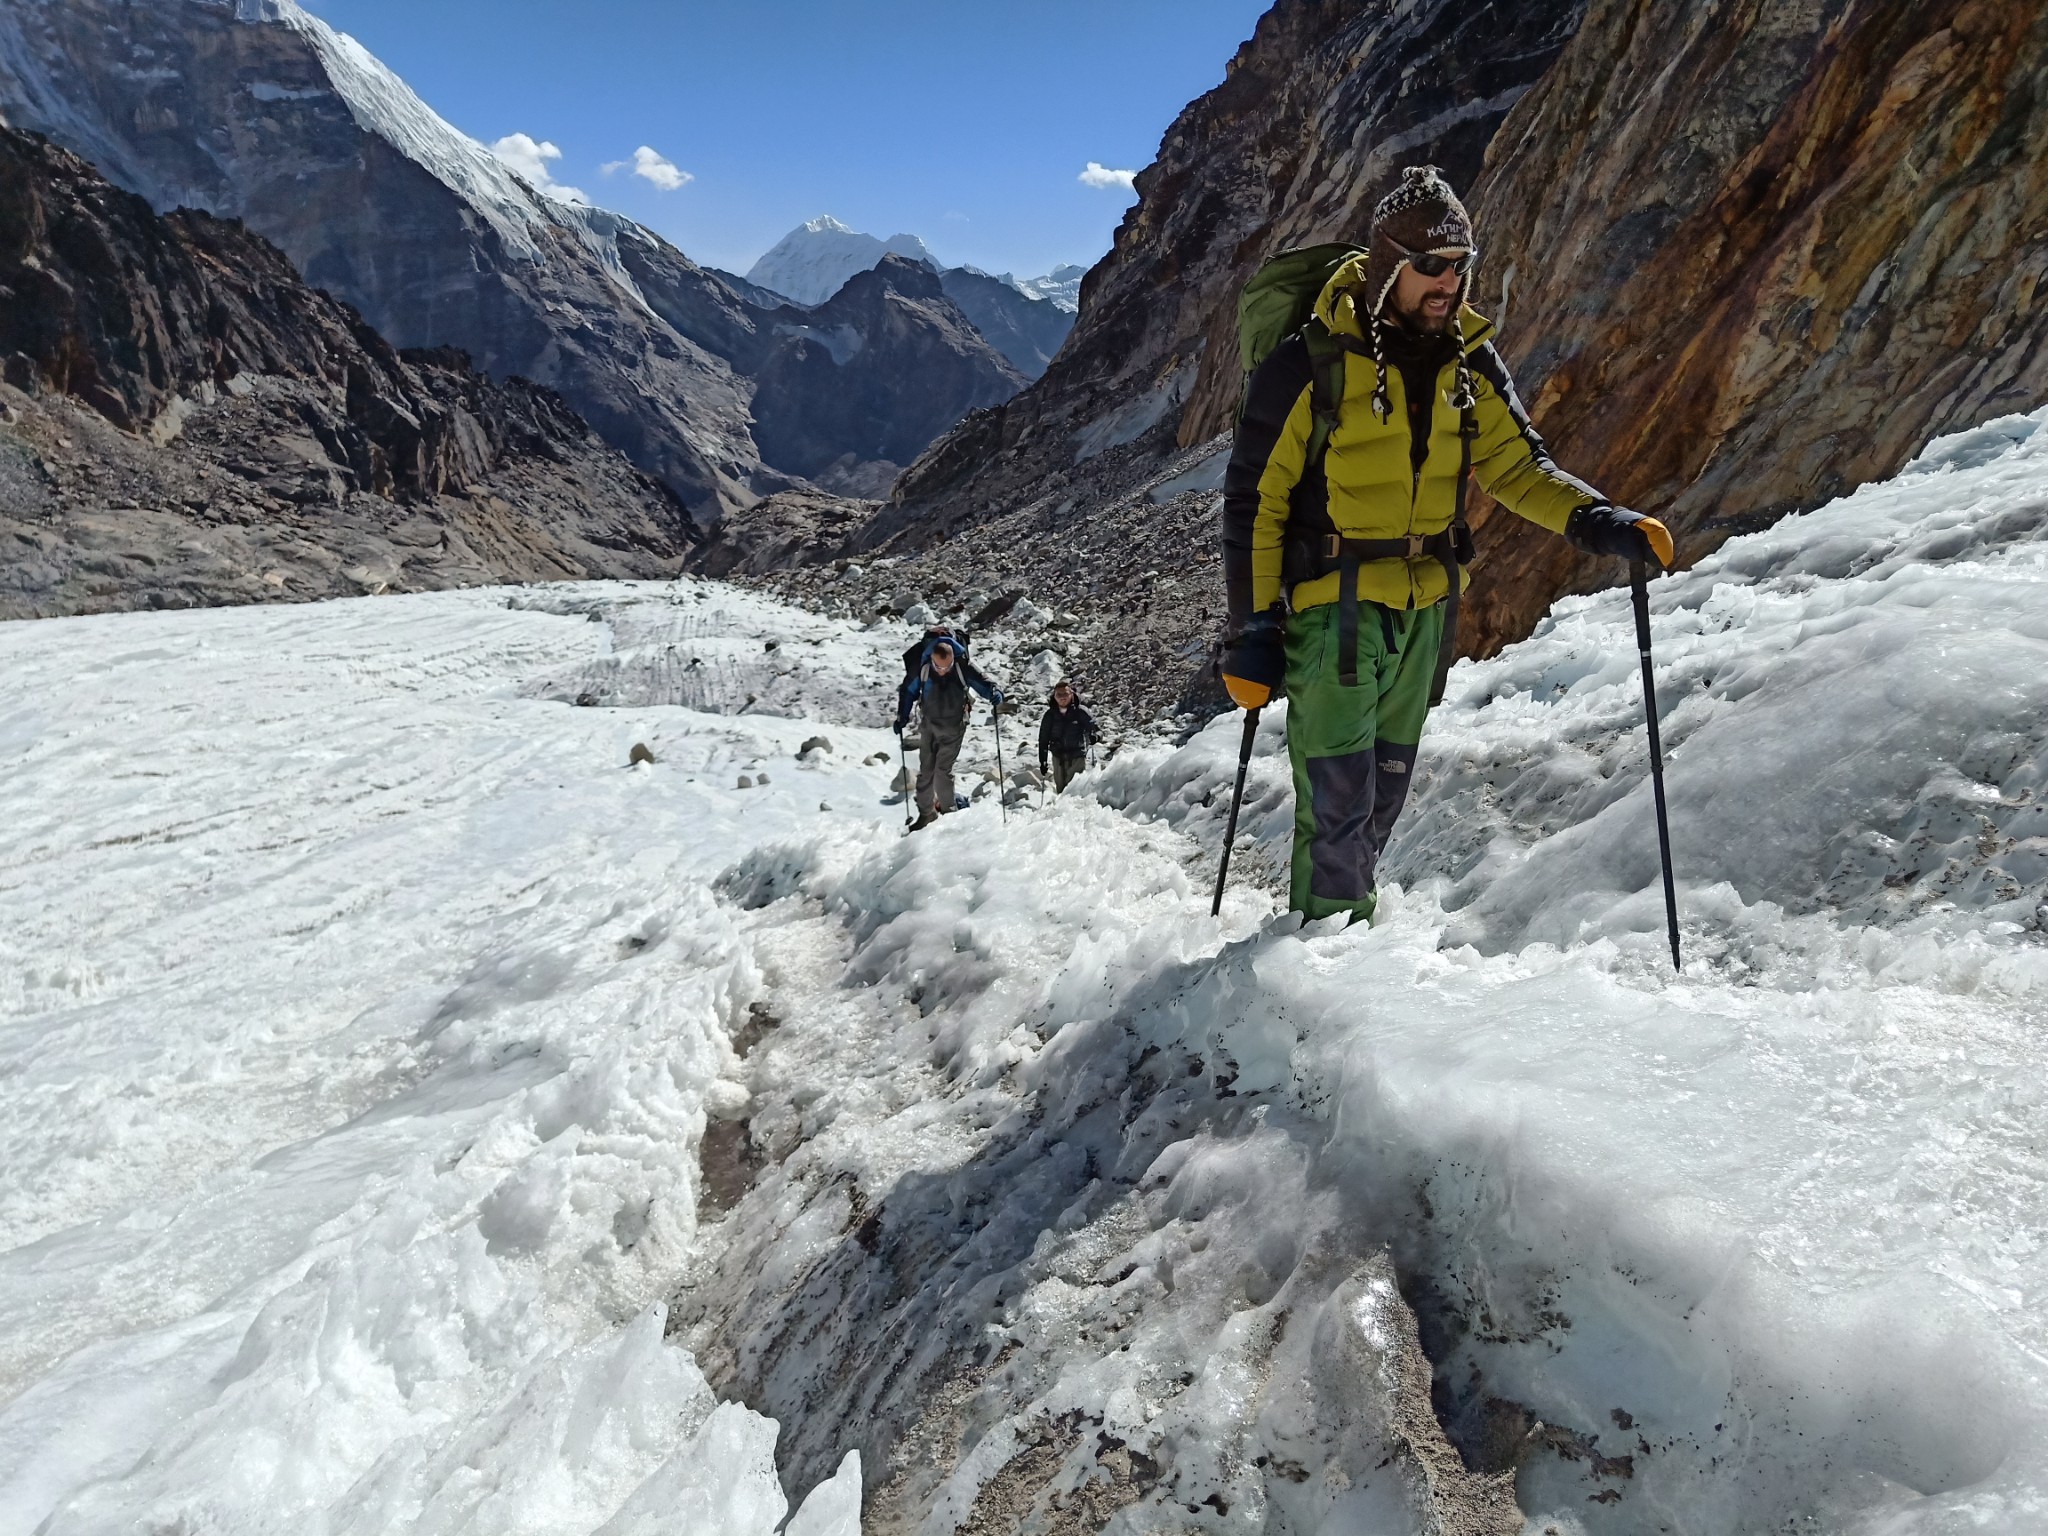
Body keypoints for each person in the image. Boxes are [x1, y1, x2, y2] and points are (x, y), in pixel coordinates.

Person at [1219, 165, 1675, 924]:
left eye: (1460, 267)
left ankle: (1321, 947)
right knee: (1338, 803)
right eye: (1430, 265)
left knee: (1382, 798)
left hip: (1425, 613)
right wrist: (1254, 630)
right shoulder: (1311, 360)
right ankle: (1321, 972)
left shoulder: (1468, 357)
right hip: (1336, 611)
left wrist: (1600, 520)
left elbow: (1517, 465)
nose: (1448, 282)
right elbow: (1254, 503)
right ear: (1388, 263)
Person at [894, 629, 1002, 830]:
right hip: (929, 725)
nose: (942, 670)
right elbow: (908, 692)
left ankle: (949, 814)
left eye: (946, 666)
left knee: (943, 772)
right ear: (932, 659)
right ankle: (927, 815)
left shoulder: (963, 665)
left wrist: (995, 694)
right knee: (926, 772)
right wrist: (902, 717)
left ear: (953, 658)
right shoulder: (923, 667)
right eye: (938, 666)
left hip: (954, 727)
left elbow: (986, 684)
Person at [1037, 681, 1096, 792]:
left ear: (1071, 694)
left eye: (1065, 694)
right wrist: (1043, 761)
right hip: (1058, 758)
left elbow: (1095, 729)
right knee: (1061, 790)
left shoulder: (1081, 712)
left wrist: (1095, 736)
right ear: (1054, 696)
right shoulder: (1050, 715)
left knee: (1074, 790)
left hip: (1077, 757)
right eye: (1059, 695)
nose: (1062, 698)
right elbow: (1043, 739)